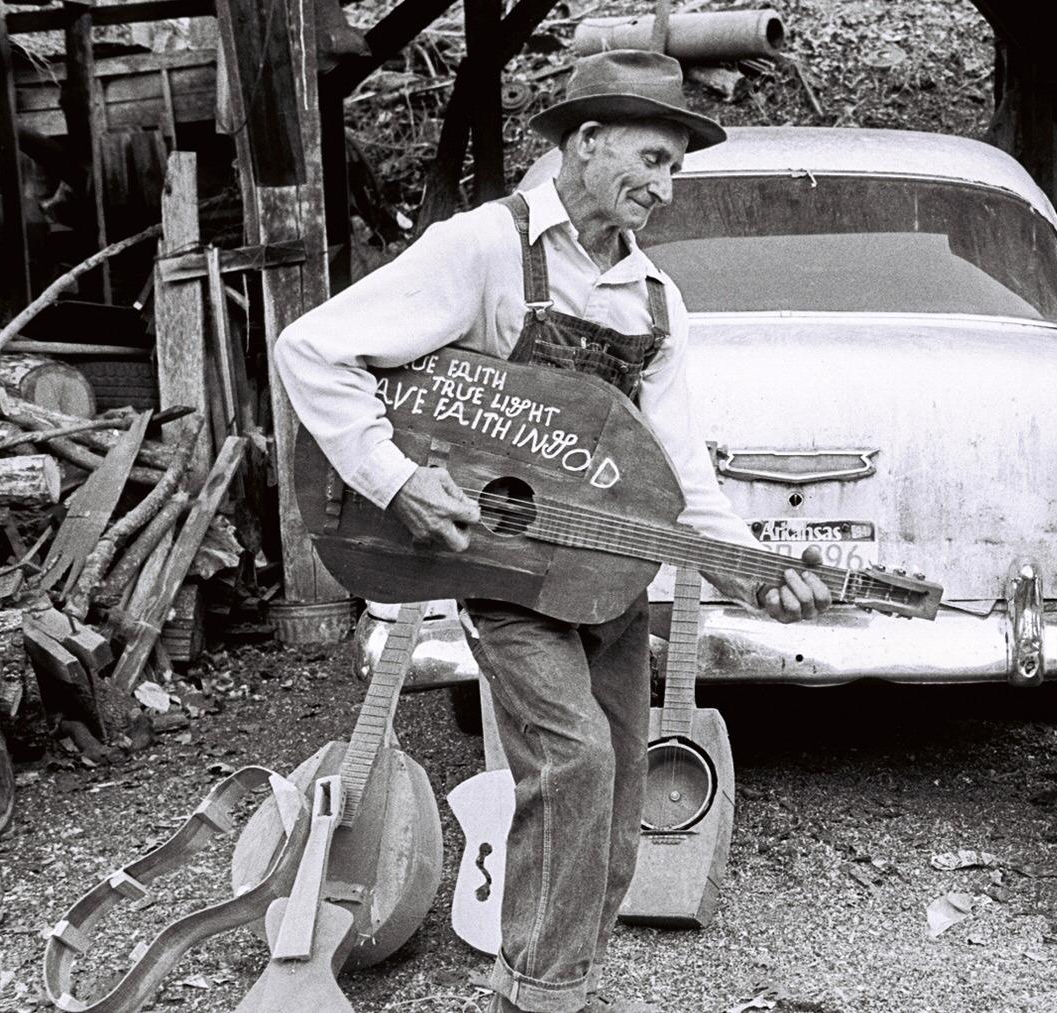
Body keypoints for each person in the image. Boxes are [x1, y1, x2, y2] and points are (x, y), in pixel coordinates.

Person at [275, 49, 833, 1013]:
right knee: (570, 760)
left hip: (608, 579)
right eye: (652, 159)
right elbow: (312, 347)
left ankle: (550, 976)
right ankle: (538, 995)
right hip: (503, 573)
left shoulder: (656, 301)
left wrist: (746, 566)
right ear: (586, 141)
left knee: (617, 796)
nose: (664, 187)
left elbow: (678, 466)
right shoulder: (485, 248)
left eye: (674, 170)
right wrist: (398, 477)